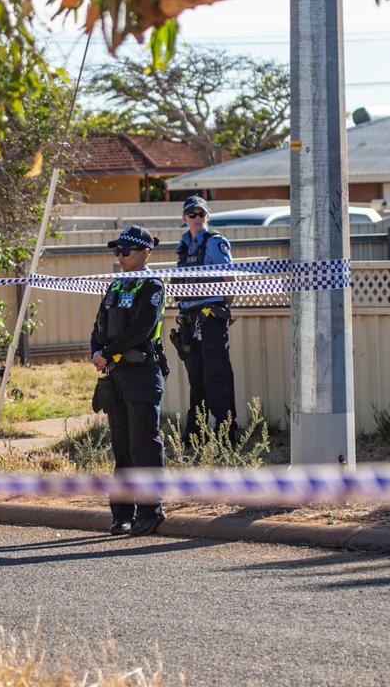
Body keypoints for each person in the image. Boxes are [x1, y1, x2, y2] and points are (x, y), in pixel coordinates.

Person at [90, 225, 169, 537]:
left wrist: (107, 352)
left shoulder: (151, 286)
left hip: (141, 373)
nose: (119, 255)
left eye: (126, 250)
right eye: (116, 250)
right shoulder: (114, 286)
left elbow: (142, 329)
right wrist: (96, 351)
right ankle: (122, 514)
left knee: (144, 446)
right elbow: (98, 323)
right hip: (115, 375)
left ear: (145, 252)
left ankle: (151, 512)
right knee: (122, 448)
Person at [171, 195, 238, 444]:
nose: (197, 218)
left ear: (207, 216)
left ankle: (226, 436)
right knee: (196, 379)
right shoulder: (183, 245)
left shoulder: (215, 242)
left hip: (210, 318)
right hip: (188, 319)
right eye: (192, 214)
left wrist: (223, 310)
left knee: (216, 377)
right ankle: (195, 435)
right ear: (184, 218)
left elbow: (228, 280)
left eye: (201, 214)